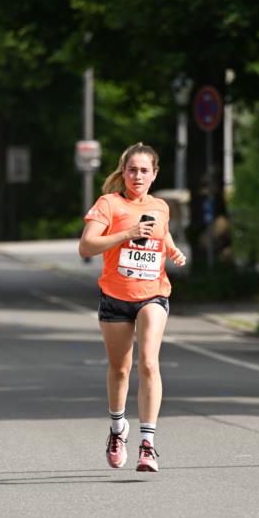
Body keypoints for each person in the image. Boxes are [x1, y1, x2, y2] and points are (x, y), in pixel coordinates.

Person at [79, 142, 186, 473]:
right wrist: (126, 233)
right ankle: (117, 428)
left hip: (153, 293)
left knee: (149, 364)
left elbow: (161, 234)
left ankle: (148, 445)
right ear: (122, 172)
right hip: (114, 296)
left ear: (154, 174)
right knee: (121, 369)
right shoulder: (108, 204)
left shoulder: (161, 207)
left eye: (144, 170)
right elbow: (86, 245)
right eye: (131, 169)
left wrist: (172, 250)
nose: (137, 176)